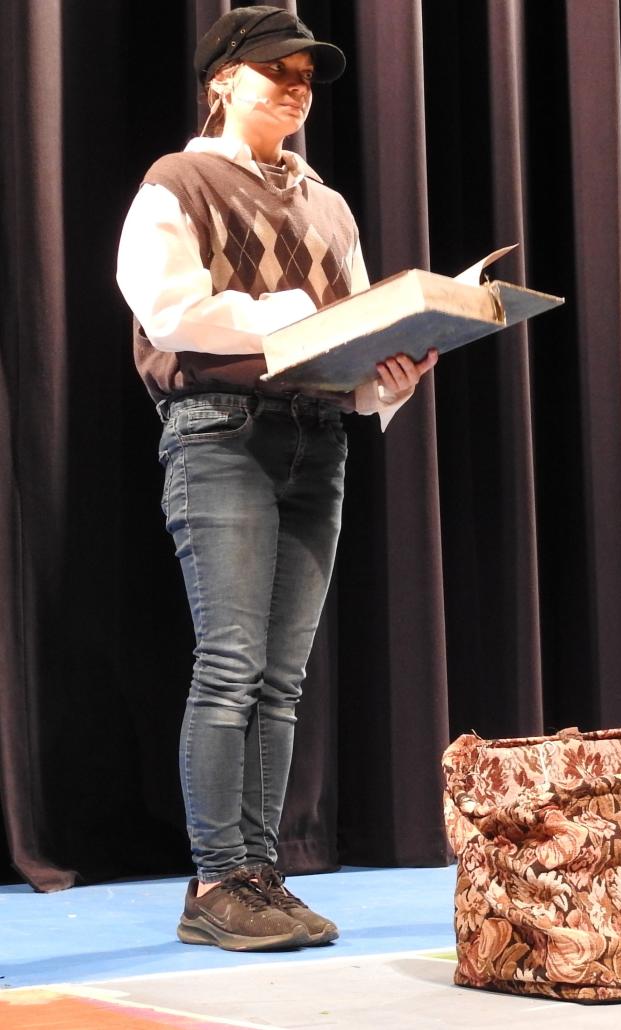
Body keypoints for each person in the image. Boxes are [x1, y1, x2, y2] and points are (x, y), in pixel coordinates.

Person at [116, 5, 437, 953]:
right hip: (222, 433)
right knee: (230, 665)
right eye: (275, 69)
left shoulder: (327, 205)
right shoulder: (177, 183)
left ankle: (260, 871)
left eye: (306, 74)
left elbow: (353, 324)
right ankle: (215, 880)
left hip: (315, 436)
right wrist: (295, 315)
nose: (296, 86)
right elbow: (171, 314)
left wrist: (388, 375)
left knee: (282, 679)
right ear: (223, 78)